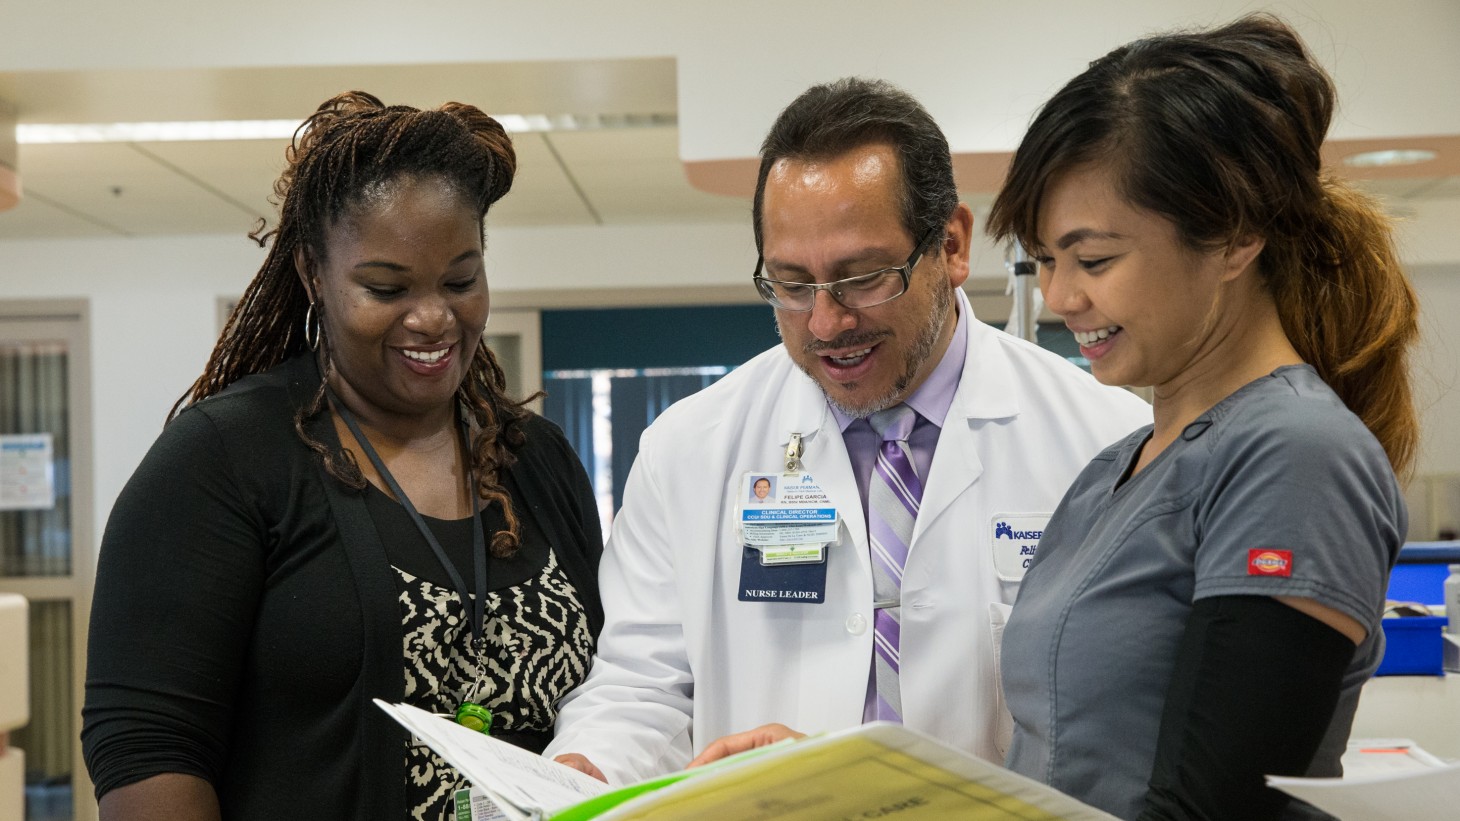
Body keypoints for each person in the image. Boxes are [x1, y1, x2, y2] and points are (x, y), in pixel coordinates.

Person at [545, 77, 1151, 784]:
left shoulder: (1107, 441)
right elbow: (637, 687)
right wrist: (582, 770)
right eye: (792, 285)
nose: (828, 324)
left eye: (865, 277)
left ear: (952, 245)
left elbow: (1125, 721)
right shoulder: (689, 448)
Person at [81, 92, 604, 820]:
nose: (433, 317)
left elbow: (612, 691)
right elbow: (147, 747)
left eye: (460, 280)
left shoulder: (534, 457)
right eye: (385, 287)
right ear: (312, 272)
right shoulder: (222, 460)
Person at [985, 15, 1415, 821]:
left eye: (1095, 259)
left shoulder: (1296, 454)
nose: (1061, 298)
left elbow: (1212, 808)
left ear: (1233, 237)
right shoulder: (1117, 467)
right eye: (1046, 259)